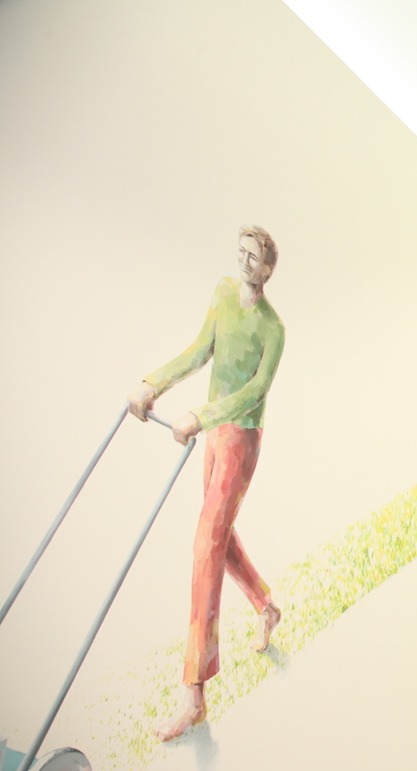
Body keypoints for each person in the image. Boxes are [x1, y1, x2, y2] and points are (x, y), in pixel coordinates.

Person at [127, 225, 285, 741]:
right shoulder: (222, 292)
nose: (244, 262)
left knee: (205, 545)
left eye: (254, 258)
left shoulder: (273, 328)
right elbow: (199, 351)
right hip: (215, 434)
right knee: (220, 538)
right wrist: (152, 384)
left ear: (268, 270)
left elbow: (256, 391)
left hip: (241, 439)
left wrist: (200, 414)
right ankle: (266, 606)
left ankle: (193, 694)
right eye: (241, 253)